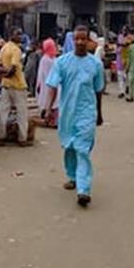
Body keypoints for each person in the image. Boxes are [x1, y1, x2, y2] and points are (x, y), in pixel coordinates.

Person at [44, 25, 105, 208]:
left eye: (83, 39)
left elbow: (98, 90)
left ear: (88, 41)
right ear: (72, 40)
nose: (79, 42)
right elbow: (53, 86)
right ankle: (72, 176)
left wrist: (99, 114)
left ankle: (83, 190)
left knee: (82, 149)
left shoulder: (96, 65)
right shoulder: (61, 62)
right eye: (76, 39)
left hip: (87, 112)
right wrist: (48, 109)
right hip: (68, 112)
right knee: (70, 145)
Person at [0, 28, 30, 146]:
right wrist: (7, 74)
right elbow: (14, 68)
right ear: (11, 35)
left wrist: (3, 75)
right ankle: (22, 138)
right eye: (18, 34)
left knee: (2, 111)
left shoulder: (4, 47)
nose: (20, 36)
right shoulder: (16, 50)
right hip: (18, 85)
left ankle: (0, 136)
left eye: (21, 34)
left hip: (5, 84)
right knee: (22, 112)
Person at [36, 38, 60, 126]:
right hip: (52, 84)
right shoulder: (51, 60)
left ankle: (50, 120)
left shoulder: (46, 59)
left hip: (47, 84)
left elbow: (41, 74)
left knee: (50, 102)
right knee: (53, 102)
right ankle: (52, 121)